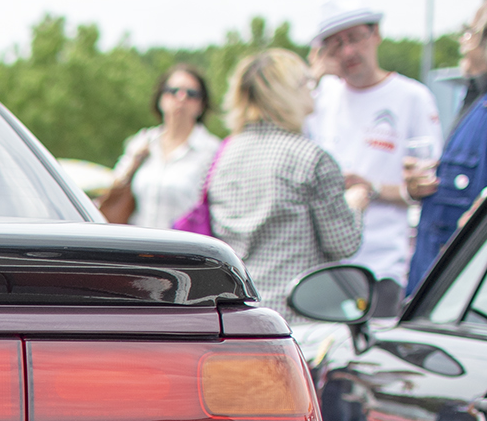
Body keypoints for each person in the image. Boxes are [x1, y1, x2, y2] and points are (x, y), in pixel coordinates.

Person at [303, 0, 442, 314]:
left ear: (376, 34)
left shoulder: (412, 97)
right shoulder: (318, 98)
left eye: (354, 38)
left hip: (381, 265)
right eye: (335, 44)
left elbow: (426, 185)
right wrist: (313, 76)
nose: (348, 51)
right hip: (321, 264)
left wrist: (372, 188)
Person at [209, 49, 365, 325]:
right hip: (298, 316)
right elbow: (342, 243)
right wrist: (357, 201)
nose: (313, 90)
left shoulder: (225, 155)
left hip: (241, 311)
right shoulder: (311, 157)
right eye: (306, 83)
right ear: (285, 93)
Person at [406, 0, 487, 293]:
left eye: (470, 32)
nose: (462, 42)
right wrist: (423, 186)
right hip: (440, 288)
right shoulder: (483, 98)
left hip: (468, 294)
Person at [110, 67, 222, 228]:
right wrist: (133, 164)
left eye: (191, 94)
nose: (181, 98)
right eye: (173, 91)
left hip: (183, 248)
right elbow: (114, 188)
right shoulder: (142, 142)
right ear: (160, 98)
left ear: (201, 105)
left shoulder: (212, 151)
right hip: (138, 246)